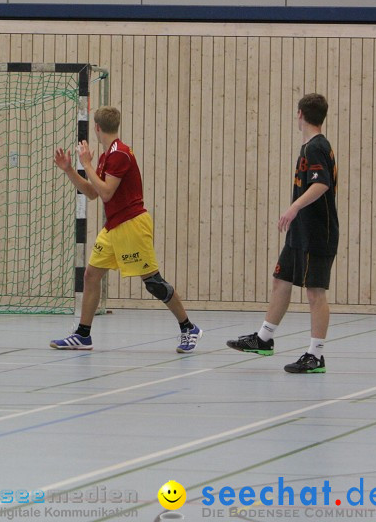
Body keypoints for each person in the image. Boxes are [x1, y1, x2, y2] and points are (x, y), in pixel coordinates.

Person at [51, 106, 201, 353]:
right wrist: (69, 170)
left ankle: (188, 328)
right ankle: (83, 335)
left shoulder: (120, 153)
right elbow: (92, 193)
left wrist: (85, 164)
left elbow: (107, 193)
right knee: (91, 275)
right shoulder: (106, 156)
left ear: (97, 128)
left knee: (153, 283)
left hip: (132, 224)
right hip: (113, 227)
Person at [226, 94, 338, 373]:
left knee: (315, 293)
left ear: (300, 114)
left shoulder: (316, 147)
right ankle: (264, 338)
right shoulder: (311, 146)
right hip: (300, 233)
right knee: (281, 280)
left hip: (317, 233)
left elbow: (321, 184)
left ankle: (316, 355)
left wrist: (293, 208)